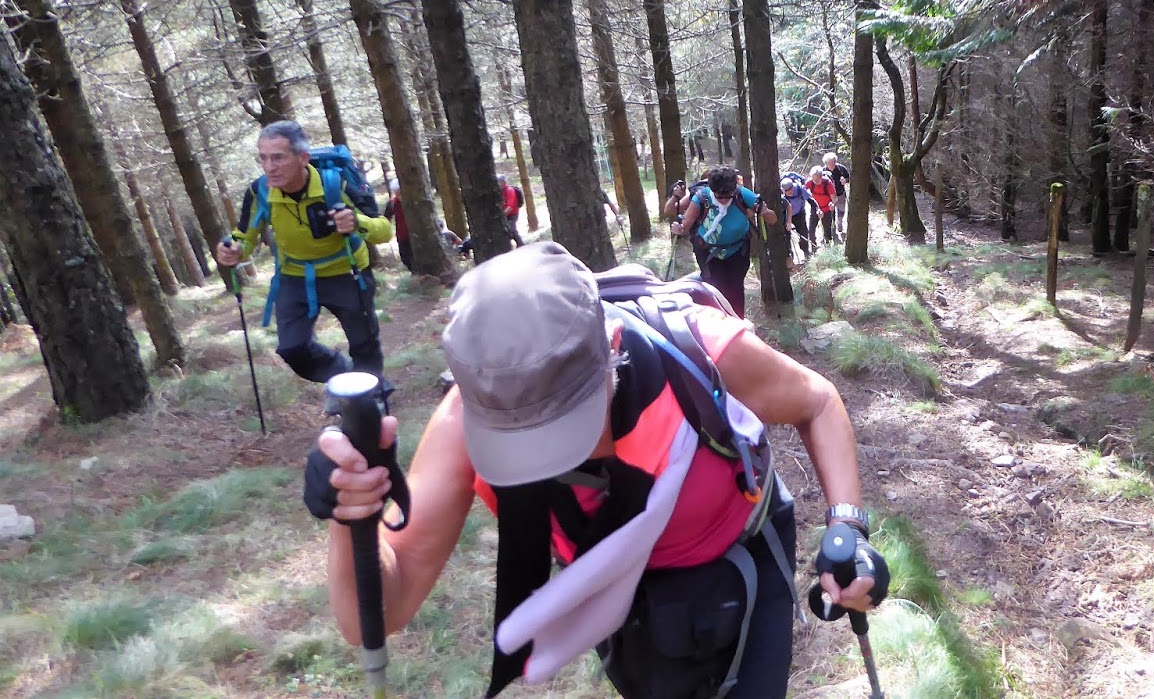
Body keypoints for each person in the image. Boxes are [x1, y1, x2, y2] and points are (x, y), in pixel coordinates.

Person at [307, 243, 888, 698]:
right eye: (519, 442)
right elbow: (375, 615)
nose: (549, 459)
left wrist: (847, 526)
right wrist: (351, 514)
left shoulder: (700, 350)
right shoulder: (468, 418)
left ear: (611, 347)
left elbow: (817, 402)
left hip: (742, 563)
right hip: (622, 594)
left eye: (566, 425)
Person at [214, 121, 393, 388]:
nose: (269, 167)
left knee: (363, 345)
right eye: (263, 158)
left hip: (346, 272)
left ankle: (371, 398)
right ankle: (349, 381)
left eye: (278, 158)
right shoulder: (260, 191)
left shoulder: (336, 184)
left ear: (303, 158)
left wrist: (356, 222)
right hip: (294, 276)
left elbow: (384, 230)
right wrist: (234, 250)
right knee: (292, 349)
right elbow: (245, 237)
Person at [671, 166, 777, 318]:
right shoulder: (701, 198)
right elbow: (685, 227)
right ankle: (717, 322)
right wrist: (678, 229)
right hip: (708, 252)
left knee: (736, 287)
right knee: (713, 289)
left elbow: (773, 220)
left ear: (734, 189)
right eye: (719, 196)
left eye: (728, 196)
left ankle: (738, 322)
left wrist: (764, 211)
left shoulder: (742, 194)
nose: (724, 200)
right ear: (712, 189)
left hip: (738, 251)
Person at [781, 171, 818, 263]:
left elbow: (811, 201)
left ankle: (806, 252)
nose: (790, 193)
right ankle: (789, 257)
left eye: (791, 191)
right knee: (786, 237)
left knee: (803, 233)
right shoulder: (780, 194)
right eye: (787, 192)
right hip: (785, 216)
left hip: (799, 214)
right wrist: (787, 222)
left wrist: (817, 210)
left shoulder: (799, 189)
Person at [383, 180, 413, 273]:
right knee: (406, 258)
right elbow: (386, 219)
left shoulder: (413, 201)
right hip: (402, 236)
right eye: (397, 192)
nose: (399, 195)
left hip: (415, 235)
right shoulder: (392, 203)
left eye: (400, 192)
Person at [806, 166, 839, 246]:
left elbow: (835, 199)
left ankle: (828, 245)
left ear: (821, 176)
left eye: (818, 179)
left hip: (827, 209)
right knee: (811, 229)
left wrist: (833, 205)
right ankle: (813, 246)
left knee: (827, 229)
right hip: (816, 208)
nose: (815, 181)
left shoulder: (828, 183)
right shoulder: (810, 182)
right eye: (814, 179)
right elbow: (803, 191)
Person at [823, 152, 850, 240]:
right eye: (829, 163)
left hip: (840, 193)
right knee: (831, 212)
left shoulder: (841, 168)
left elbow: (849, 177)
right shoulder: (823, 171)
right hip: (829, 196)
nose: (832, 165)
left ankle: (839, 222)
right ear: (826, 163)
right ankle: (833, 228)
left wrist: (845, 180)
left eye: (833, 162)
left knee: (841, 211)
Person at [498, 175, 525, 247]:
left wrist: (502, 216)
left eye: (499, 182)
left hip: (512, 214)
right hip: (505, 214)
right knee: (513, 231)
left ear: (503, 182)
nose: (498, 184)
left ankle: (520, 245)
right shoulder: (500, 191)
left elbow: (510, 206)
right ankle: (521, 245)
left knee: (509, 229)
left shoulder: (510, 190)